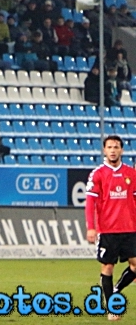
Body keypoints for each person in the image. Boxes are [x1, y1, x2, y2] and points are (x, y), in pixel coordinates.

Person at [86, 135, 136, 319]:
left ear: (122, 150)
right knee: (108, 267)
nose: (113, 150)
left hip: (130, 228)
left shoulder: (131, 173)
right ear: (104, 150)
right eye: (109, 147)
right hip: (108, 229)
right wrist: (91, 227)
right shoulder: (98, 174)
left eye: (116, 147)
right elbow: (90, 202)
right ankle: (112, 308)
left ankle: (116, 290)